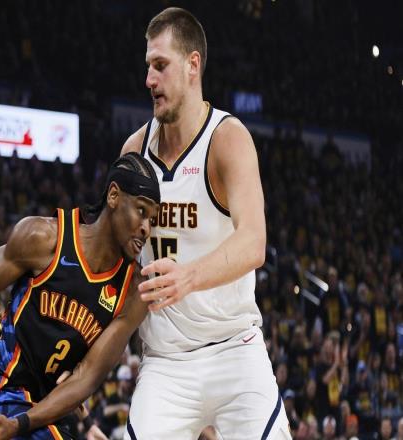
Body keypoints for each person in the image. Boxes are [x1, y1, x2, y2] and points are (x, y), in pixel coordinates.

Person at [120, 7, 291, 439]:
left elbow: (253, 242)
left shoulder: (227, 139)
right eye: (148, 66)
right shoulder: (134, 151)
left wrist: (188, 277)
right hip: (165, 361)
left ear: (192, 64)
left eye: (161, 65)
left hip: (235, 348)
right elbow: (113, 258)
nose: (149, 79)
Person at [0, 152, 160, 439]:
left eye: (153, 219)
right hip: (3, 388)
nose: (146, 227)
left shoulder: (133, 291)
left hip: (49, 410)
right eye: (141, 211)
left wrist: (21, 424)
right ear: (113, 196)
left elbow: (86, 378)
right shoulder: (44, 238)